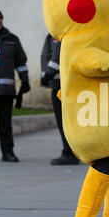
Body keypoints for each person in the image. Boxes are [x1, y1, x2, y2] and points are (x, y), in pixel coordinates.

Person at [0, 7, 30, 162]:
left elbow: (21, 62)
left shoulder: (12, 39)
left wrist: (25, 80)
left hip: (6, 90)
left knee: (5, 124)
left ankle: (8, 153)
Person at [40, 33, 79, 165]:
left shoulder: (59, 33)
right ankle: (71, 152)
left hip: (60, 83)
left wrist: (47, 75)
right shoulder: (52, 34)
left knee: (64, 121)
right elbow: (46, 56)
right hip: (60, 82)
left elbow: (57, 56)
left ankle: (69, 153)